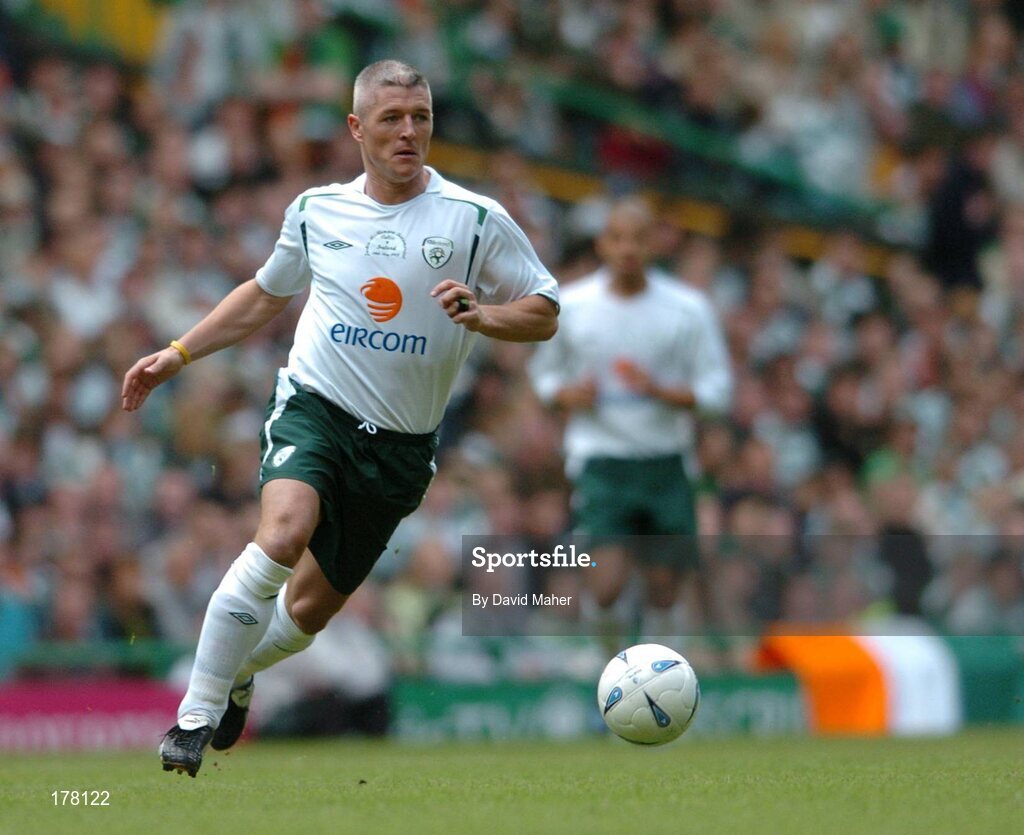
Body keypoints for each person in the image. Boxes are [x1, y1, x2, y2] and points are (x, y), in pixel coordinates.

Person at [122, 59, 559, 777]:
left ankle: (239, 670)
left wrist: (485, 314)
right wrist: (178, 352)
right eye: (391, 119)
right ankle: (193, 716)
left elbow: (543, 310)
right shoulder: (317, 209)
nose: (408, 131)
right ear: (358, 128)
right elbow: (266, 294)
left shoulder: (476, 220)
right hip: (315, 407)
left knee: (308, 613)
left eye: (420, 117)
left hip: (400, 450)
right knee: (283, 532)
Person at [528, 197, 731, 639]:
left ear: (656, 242)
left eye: (638, 238)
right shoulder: (574, 305)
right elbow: (543, 379)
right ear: (603, 243)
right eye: (618, 238)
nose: (628, 249)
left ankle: (660, 678)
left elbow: (717, 391)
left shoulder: (687, 309)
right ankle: (608, 670)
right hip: (602, 460)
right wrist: (568, 396)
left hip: (666, 460)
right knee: (605, 585)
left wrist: (660, 392)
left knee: (663, 590)